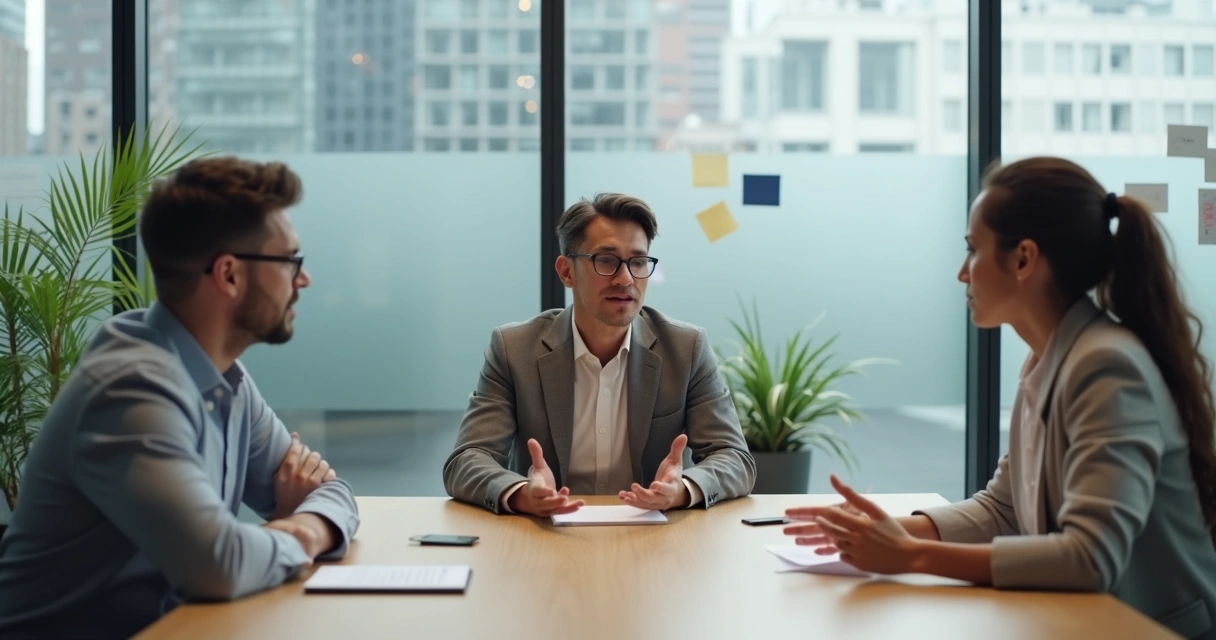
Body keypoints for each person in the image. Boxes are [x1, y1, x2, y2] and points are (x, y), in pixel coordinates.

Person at [783, 157, 1216, 639]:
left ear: (1024, 259)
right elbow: (1003, 511)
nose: (961, 275)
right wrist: (887, 530)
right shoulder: (1048, 358)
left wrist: (912, 555)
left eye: (972, 250)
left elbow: (1090, 557)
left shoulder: (1107, 366)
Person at [0, 157, 360, 638]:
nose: (304, 280)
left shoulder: (224, 378)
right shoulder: (131, 389)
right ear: (229, 275)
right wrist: (301, 531)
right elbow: (220, 564)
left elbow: (332, 492)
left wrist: (297, 524)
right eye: (290, 261)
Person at [444, 193, 755, 516]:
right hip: (549, 538)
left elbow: (734, 458)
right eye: (606, 260)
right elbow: (467, 459)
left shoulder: (685, 348)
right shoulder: (514, 349)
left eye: (637, 262)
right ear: (566, 271)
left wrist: (681, 490)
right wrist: (523, 494)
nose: (626, 279)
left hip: (654, 539)